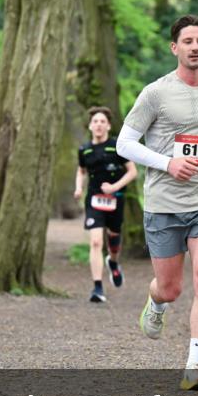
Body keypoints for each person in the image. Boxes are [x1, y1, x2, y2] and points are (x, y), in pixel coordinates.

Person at [117, 14, 198, 391]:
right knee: (170, 288)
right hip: (164, 202)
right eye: (187, 41)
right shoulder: (155, 93)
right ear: (175, 48)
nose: (195, 47)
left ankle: (195, 365)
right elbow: (124, 143)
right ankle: (156, 302)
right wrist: (168, 163)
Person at [74, 106, 137, 303]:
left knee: (113, 241)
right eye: (95, 122)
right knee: (95, 242)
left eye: (102, 122)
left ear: (108, 125)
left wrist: (114, 187)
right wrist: (78, 188)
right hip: (94, 199)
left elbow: (132, 172)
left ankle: (113, 262)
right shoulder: (84, 150)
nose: (99, 125)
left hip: (115, 199)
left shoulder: (117, 146)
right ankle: (98, 288)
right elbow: (81, 171)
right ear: (90, 126)